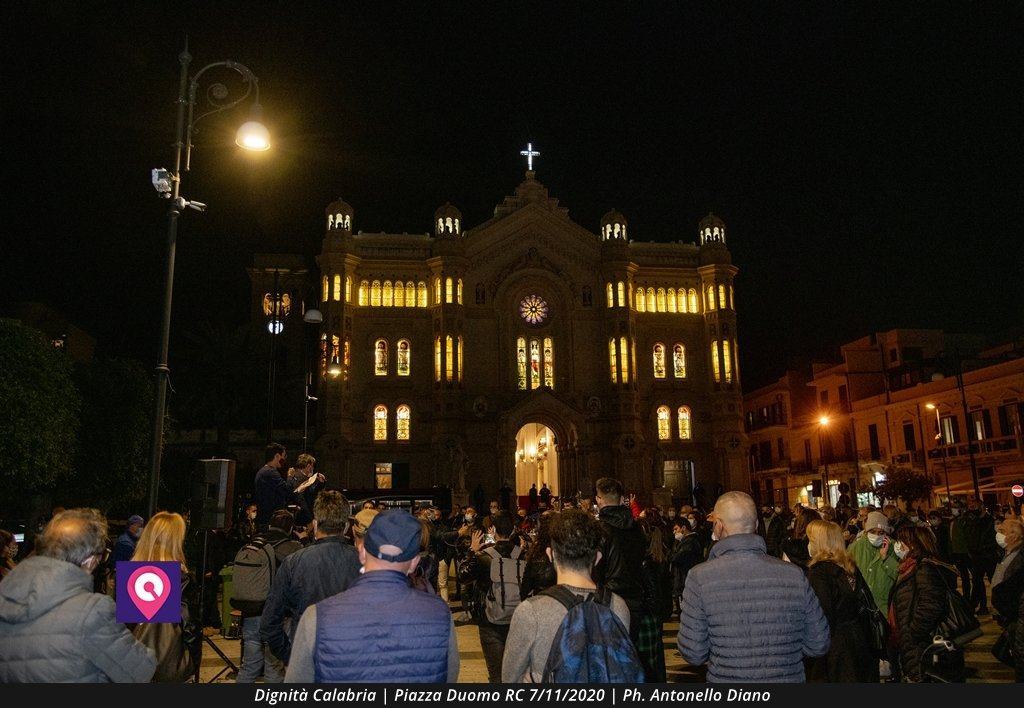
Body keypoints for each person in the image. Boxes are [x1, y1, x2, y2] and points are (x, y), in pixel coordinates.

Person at [285, 510, 459, 682]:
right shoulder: (440, 615)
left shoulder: (315, 617)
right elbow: (449, 677)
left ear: (361, 552)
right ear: (414, 563)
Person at [677, 491, 829, 682]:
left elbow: (693, 652)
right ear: (756, 525)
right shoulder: (794, 575)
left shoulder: (699, 577)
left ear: (718, 526)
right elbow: (818, 643)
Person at [0, 508, 156, 682]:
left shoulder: (5, 593)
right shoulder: (92, 611)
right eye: (100, 556)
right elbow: (141, 670)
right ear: (89, 561)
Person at [502, 509, 634, 682]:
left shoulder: (531, 611)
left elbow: (509, 679)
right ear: (598, 557)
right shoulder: (618, 606)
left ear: (551, 555)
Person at [261, 491, 361, 664]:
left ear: (315, 525)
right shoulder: (364, 562)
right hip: (351, 658)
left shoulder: (293, 563)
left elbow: (269, 623)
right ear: (345, 527)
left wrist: (291, 656)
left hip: (307, 656)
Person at [592, 478, 654, 678]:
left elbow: (596, 568)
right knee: (631, 655)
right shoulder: (637, 528)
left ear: (599, 500)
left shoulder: (599, 530)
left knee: (608, 661)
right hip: (636, 599)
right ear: (621, 499)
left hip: (609, 599)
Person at [130, 511, 201, 682]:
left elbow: (125, 626)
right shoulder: (180, 578)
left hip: (133, 665)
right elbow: (189, 625)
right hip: (169, 665)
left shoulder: (131, 575)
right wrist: (193, 660)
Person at [804, 520, 879, 682]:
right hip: (858, 641)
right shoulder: (849, 567)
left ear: (819, 543)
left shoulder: (819, 573)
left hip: (834, 649)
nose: (808, 544)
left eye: (810, 540)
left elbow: (821, 615)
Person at [233, 509, 302, 684]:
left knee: (249, 665)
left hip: (252, 610)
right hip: (276, 616)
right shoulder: (292, 548)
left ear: (270, 524)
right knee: (274, 667)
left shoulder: (256, 543)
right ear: (290, 528)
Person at [888, 526, 964, 682]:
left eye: (901, 541)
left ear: (913, 544)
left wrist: (912, 632)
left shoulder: (923, 569)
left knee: (921, 677)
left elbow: (931, 605)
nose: (897, 545)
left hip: (921, 643)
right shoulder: (909, 567)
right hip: (912, 641)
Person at [460, 511, 523, 682]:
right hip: (518, 618)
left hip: (489, 619)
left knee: (496, 674)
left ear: (493, 530)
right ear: (513, 530)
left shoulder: (484, 557)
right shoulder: (522, 555)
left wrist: (472, 552)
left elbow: (464, 576)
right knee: (517, 672)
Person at [254, 443, 321, 527]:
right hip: (269, 518)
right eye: (284, 456)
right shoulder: (270, 472)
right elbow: (287, 490)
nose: (285, 459)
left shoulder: (266, 471)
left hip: (266, 517)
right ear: (277, 456)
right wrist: (290, 476)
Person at [848, 510, 899, 615]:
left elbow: (899, 576)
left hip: (886, 607)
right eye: (872, 532)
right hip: (862, 607)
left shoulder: (895, 548)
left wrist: (887, 559)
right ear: (866, 531)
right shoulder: (855, 547)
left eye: (881, 533)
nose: (876, 535)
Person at [992, 517, 1023, 674]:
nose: (999, 534)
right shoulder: (1008, 553)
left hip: (1014, 618)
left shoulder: (1019, 558)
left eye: (1002, 531)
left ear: (1014, 535)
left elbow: (1013, 591)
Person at [964, 498, 1001, 615]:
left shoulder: (990, 521)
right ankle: (980, 606)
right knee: (977, 582)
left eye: (974, 507)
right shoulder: (973, 521)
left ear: (981, 507)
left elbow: (990, 539)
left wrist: (983, 548)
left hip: (988, 556)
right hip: (977, 556)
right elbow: (971, 537)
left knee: (993, 581)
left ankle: (999, 606)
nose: (972, 510)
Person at [520, 511, 557, 599]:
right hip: (563, 603)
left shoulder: (535, 554)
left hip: (540, 601)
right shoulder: (566, 552)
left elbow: (524, 590)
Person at [669, 518, 702, 611]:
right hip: (683, 581)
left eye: (676, 529)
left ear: (683, 528)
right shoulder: (684, 542)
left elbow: (676, 558)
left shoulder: (690, 542)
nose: (674, 532)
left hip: (686, 581)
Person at [949, 500, 972, 597]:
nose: (953, 509)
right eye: (953, 507)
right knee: (964, 577)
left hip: (966, 553)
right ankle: (966, 597)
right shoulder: (952, 521)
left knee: (975, 578)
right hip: (957, 553)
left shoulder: (965, 521)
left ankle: (974, 600)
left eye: (956, 507)